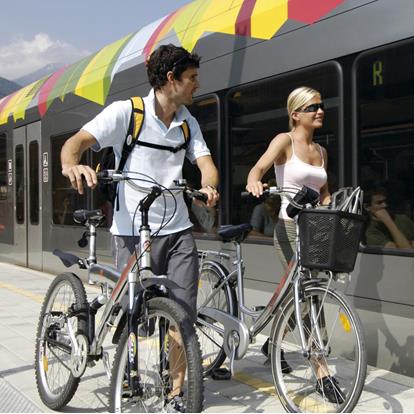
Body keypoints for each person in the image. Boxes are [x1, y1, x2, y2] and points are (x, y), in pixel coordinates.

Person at [60, 43, 219, 411]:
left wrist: (209, 185)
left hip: (177, 229)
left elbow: (206, 164)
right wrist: (73, 165)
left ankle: (177, 392)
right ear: (170, 79)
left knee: (182, 313)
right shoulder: (126, 113)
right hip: (132, 230)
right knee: (133, 313)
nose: (197, 84)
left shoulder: (187, 122)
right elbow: (75, 144)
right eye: (192, 78)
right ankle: (127, 369)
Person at [246, 87, 344, 403]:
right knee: (308, 296)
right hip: (288, 230)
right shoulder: (284, 141)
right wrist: (254, 181)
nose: (320, 110)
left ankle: (270, 343)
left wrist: (334, 207)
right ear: (296, 114)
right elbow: (258, 168)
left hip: (315, 230)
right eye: (313, 106)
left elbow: (324, 192)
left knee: (301, 293)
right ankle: (321, 370)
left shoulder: (320, 151)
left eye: (321, 105)